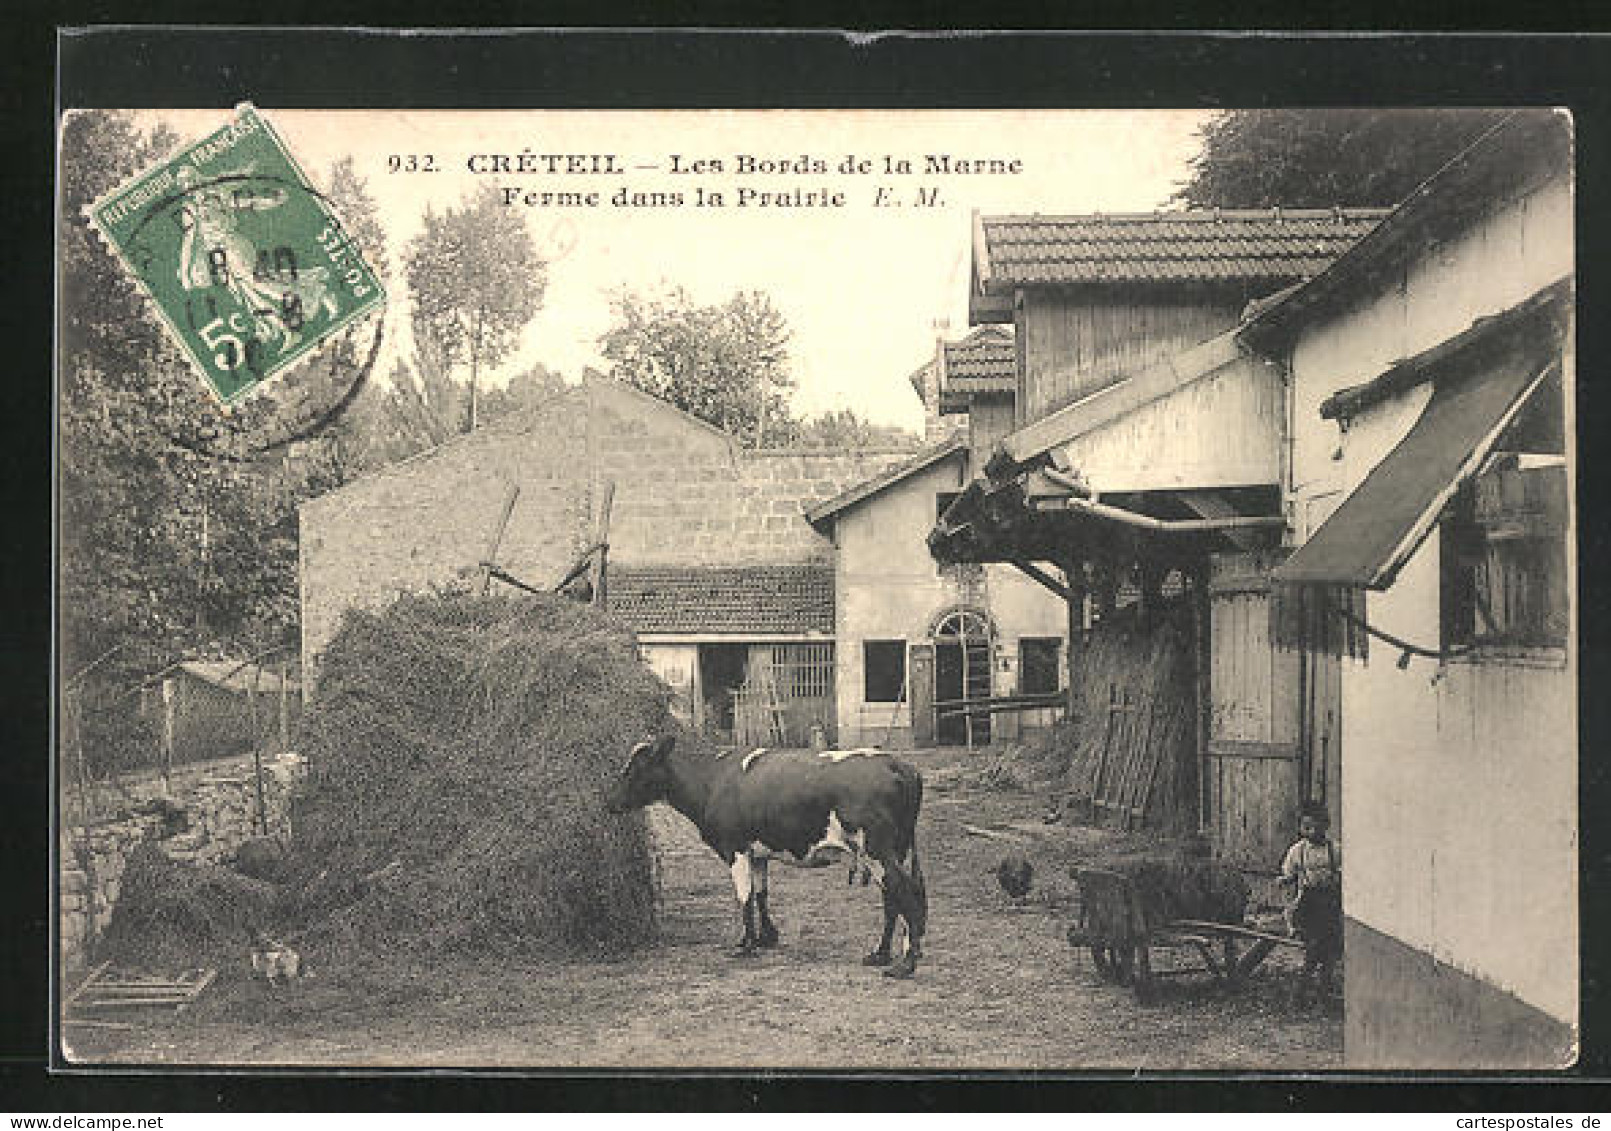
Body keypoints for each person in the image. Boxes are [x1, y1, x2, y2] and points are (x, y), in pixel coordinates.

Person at [1280, 800, 1342, 1006]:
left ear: (1326, 826)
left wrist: (1339, 878)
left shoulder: (1335, 850)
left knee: (1330, 951)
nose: (1309, 831)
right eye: (1305, 827)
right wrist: (1285, 880)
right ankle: (1300, 991)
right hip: (1309, 904)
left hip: (1331, 903)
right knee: (1315, 946)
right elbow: (1288, 873)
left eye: (1314, 826)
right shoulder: (1298, 851)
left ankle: (1322, 991)